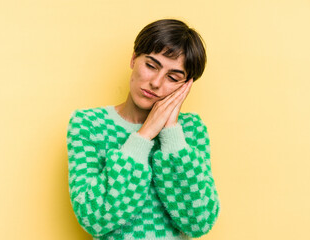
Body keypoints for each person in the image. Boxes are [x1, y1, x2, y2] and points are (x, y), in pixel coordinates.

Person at [66, 19, 221, 240]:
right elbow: (95, 219)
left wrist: (171, 133)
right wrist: (145, 134)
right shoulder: (88, 124)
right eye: (151, 65)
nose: (156, 83)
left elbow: (199, 222)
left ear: (186, 86)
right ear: (133, 59)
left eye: (173, 77)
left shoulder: (191, 130)